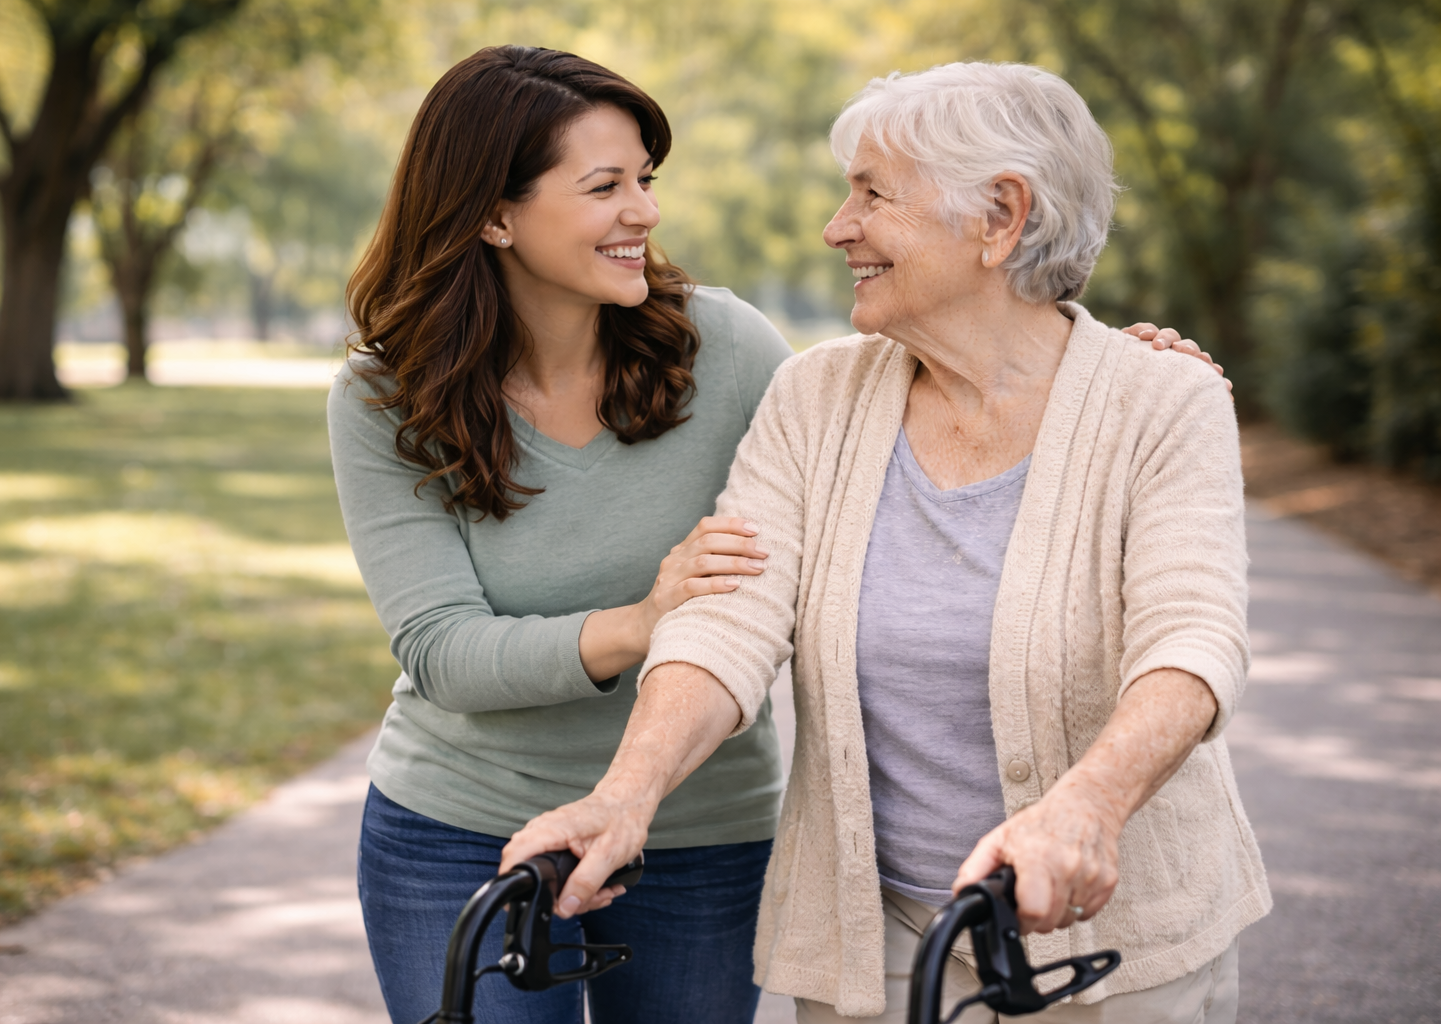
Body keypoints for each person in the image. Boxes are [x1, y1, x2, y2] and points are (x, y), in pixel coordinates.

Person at [502, 61, 1270, 1024]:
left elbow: (1191, 641)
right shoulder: (819, 396)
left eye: (872, 193)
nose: (837, 227)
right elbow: (728, 620)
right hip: (880, 941)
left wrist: (1089, 806)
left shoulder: (1162, 400)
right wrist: (626, 794)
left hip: (1113, 955)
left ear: (1000, 217)